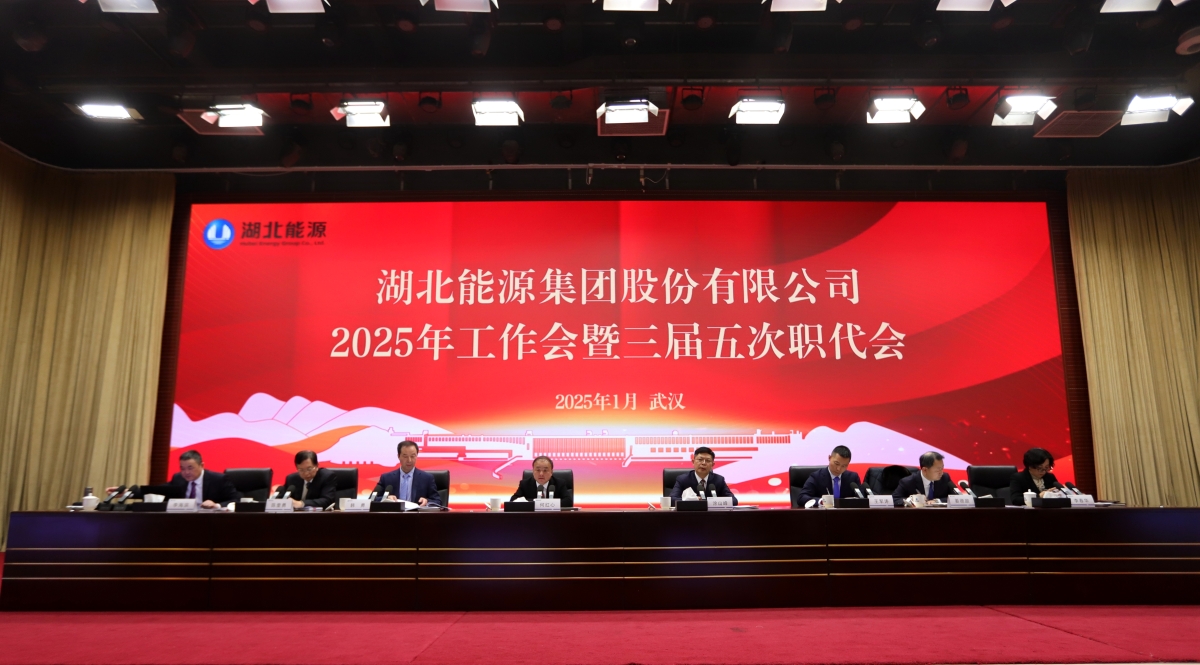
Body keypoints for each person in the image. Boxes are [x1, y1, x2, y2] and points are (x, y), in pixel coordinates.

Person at [114, 450, 241, 508]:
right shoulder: (178, 478)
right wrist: (128, 493)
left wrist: (216, 505)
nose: (186, 472)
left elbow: (235, 500)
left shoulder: (218, 479)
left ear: (202, 465)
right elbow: (158, 491)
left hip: (210, 521)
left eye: (190, 468)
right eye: (182, 468)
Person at [378, 440, 442, 506]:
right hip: (394, 512)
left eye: (412, 456)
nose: (409, 460)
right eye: (405, 456)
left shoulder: (427, 478)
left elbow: (437, 501)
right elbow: (373, 498)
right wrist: (386, 498)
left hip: (416, 512)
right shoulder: (386, 478)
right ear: (398, 456)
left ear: (417, 456)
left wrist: (427, 501)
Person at [797, 445, 863, 506]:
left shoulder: (852, 478)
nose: (839, 469)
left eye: (844, 466)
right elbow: (801, 497)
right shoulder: (816, 477)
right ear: (829, 458)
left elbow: (862, 499)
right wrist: (821, 501)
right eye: (836, 463)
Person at [670, 447, 738, 505]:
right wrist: (692, 500)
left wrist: (713, 502)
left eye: (708, 460)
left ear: (712, 465)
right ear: (693, 462)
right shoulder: (683, 479)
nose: (703, 463)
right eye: (700, 460)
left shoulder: (719, 480)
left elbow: (734, 501)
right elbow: (672, 500)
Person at [892, 451, 958, 506]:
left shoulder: (945, 478)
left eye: (942, 468)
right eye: (938, 470)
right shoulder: (908, 482)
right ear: (925, 470)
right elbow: (894, 499)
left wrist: (937, 501)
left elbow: (957, 497)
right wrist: (911, 500)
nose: (941, 472)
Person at [510, 456, 574, 507]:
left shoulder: (559, 483)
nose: (541, 474)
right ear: (533, 471)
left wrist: (543, 504)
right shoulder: (525, 484)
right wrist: (538, 503)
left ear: (551, 472)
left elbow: (568, 501)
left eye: (545, 470)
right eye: (538, 470)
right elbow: (513, 500)